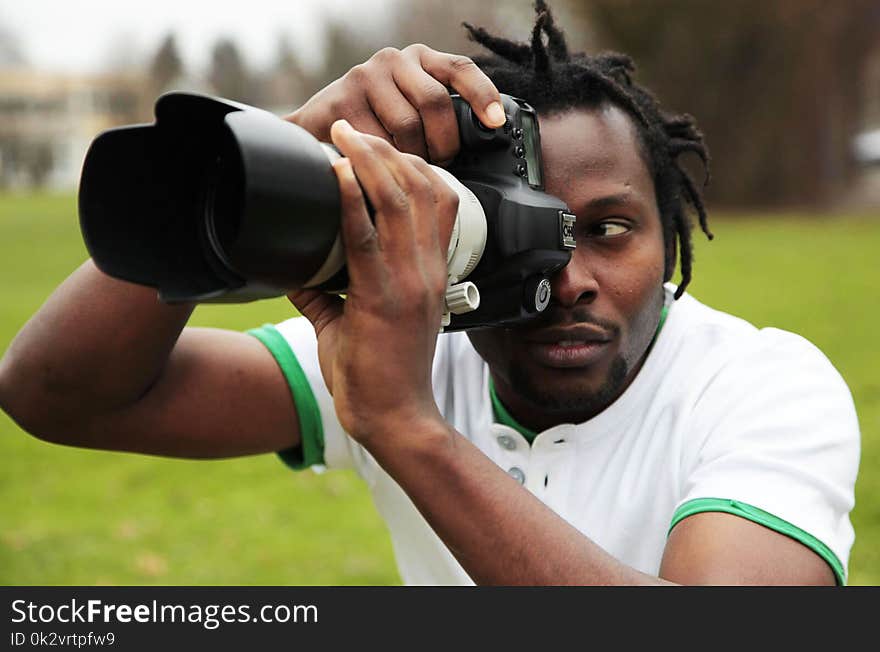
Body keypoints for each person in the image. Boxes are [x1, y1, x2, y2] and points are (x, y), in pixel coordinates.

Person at [0, 2, 859, 585]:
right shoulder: (417, 337)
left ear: (669, 240)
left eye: (605, 230)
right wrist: (282, 147)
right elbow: (55, 393)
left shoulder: (761, 385)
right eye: (513, 234)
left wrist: (406, 427)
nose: (564, 283)